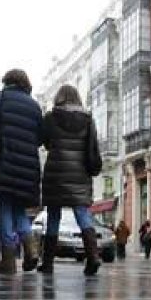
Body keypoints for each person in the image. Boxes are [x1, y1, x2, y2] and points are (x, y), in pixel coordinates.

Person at [0, 69, 43, 274]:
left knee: (4, 206)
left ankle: (8, 260)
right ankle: (31, 250)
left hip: (4, 161)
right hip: (29, 166)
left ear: (6, 81)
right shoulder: (35, 106)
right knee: (19, 209)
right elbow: (40, 137)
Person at [40, 85, 105, 276]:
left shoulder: (51, 117)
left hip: (56, 172)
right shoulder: (87, 119)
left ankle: (48, 263)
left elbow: (45, 142)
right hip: (79, 173)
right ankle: (93, 256)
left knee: (53, 216)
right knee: (82, 214)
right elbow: (92, 145)